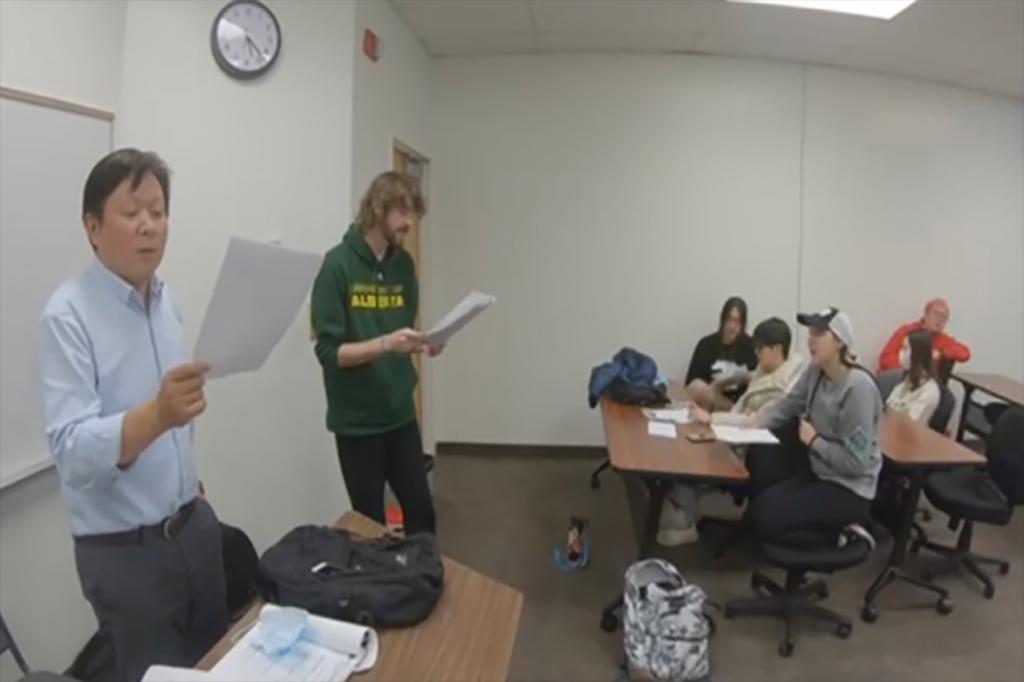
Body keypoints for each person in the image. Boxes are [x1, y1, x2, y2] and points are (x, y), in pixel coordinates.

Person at [36, 149, 227, 682]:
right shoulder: (66, 317)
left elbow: (176, 417)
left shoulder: (167, 302)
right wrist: (159, 414)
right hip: (126, 554)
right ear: (92, 227)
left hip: (193, 528)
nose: (149, 226)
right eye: (132, 212)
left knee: (216, 663)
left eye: (158, 211)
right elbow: (73, 452)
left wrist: (186, 485)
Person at [311, 172, 439, 535]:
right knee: (369, 527)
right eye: (403, 212)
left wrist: (425, 343)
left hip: (400, 414)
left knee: (422, 513)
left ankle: (422, 571)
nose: (409, 223)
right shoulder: (336, 266)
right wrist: (384, 344)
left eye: (413, 214)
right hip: (357, 423)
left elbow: (402, 333)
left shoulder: (404, 266)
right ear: (379, 208)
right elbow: (330, 353)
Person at [658, 317, 804, 546]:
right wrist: (717, 422)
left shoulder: (786, 386)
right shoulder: (766, 369)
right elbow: (743, 405)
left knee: (696, 459)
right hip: (740, 434)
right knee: (690, 443)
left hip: (754, 449)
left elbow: (756, 420)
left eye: (761, 348)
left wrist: (714, 419)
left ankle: (683, 523)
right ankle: (680, 515)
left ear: (777, 349)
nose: (756, 352)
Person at [746, 307, 883, 548]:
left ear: (839, 341)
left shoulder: (858, 388)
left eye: (819, 333)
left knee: (767, 523)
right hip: (819, 473)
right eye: (810, 333)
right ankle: (830, 528)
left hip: (848, 489)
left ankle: (844, 536)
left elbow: (856, 463)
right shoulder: (816, 371)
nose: (811, 339)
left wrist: (814, 441)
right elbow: (786, 406)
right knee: (755, 513)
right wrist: (746, 423)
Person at [685, 297, 758, 409]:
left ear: (743, 324)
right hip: (708, 398)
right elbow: (690, 384)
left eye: (737, 321)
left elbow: (758, 380)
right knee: (698, 387)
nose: (732, 326)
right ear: (722, 320)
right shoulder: (706, 344)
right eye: (729, 319)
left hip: (736, 406)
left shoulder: (751, 347)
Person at [878, 298, 971, 373]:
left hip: (921, 384)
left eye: (944, 317)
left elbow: (965, 354)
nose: (939, 320)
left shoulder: (943, 340)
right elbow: (886, 358)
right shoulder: (907, 331)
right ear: (926, 314)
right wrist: (905, 375)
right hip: (898, 378)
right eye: (936, 314)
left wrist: (942, 353)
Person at [886, 330, 941, 425]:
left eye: (905, 349)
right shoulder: (904, 382)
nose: (901, 353)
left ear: (917, 353)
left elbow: (909, 423)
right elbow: (887, 409)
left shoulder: (929, 391)